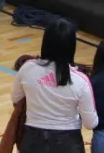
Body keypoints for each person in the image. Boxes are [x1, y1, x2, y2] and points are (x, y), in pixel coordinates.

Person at [11, 18, 98, 152]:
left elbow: (16, 99)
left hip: (33, 141)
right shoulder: (81, 81)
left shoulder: (27, 69)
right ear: (72, 46)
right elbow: (90, 123)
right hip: (68, 144)